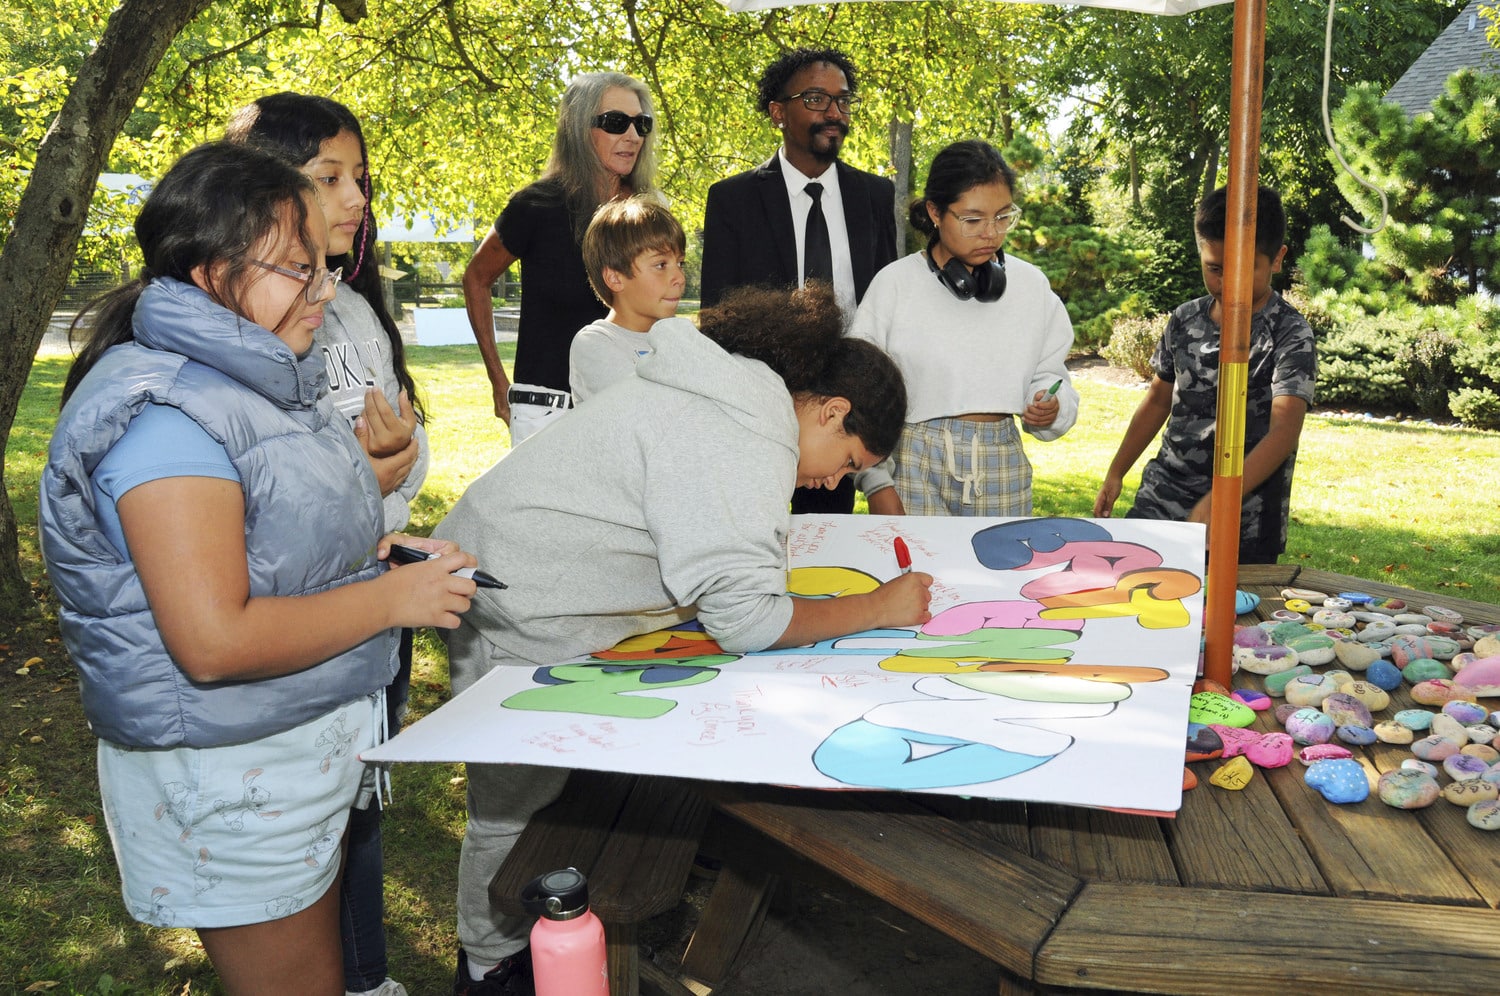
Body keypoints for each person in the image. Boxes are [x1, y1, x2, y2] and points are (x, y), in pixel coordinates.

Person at [37, 141, 477, 995]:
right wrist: (390, 600)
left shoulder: (254, 381)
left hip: (280, 754)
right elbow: (212, 640)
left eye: (324, 266)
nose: (323, 289)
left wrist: (376, 562)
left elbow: (267, 551)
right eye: (297, 269)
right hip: (228, 774)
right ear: (210, 273)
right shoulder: (166, 416)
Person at [434, 283, 933, 996]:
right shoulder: (747, 435)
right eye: (847, 458)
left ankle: (523, 946)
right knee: (516, 808)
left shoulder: (739, 398)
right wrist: (878, 607)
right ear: (830, 410)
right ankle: (490, 966)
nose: (833, 478)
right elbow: (749, 620)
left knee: (547, 800)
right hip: (516, 601)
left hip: (525, 586)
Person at [225, 91, 428, 996]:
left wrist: (393, 467)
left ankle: (365, 974)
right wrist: (367, 480)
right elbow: (268, 497)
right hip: (305, 614)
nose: (355, 198)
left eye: (361, 178)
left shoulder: (347, 308)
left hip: (380, 593)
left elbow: (402, 459)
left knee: (363, 802)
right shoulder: (257, 323)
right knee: (305, 822)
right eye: (328, 178)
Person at [700, 47, 897, 515]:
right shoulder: (733, 199)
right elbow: (717, 317)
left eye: (843, 100)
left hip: (841, 413)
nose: (834, 112)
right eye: (815, 99)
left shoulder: (874, 196)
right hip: (757, 412)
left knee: (825, 551)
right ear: (777, 111)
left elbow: (886, 300)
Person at [848, 139, 1078, 517]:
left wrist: (1051, 407)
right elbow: (860, 393)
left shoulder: (1031, 286)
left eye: (1003, 217)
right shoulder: (894, 284)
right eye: (973, 220)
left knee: (1002, 574)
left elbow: (1052, 376)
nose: (991, 232)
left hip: (1002, 461)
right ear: (935, 212)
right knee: (918, 576)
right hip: (912, 466)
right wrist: (876, 483)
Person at [1092, 185, 1316, 564]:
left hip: (1246, 518)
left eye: (1244, 270)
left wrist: (1221, 501)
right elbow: (1158, 399)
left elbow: (1284, 431)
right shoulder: (1184, 319)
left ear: (1277, 259)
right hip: (1162, 501)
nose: (1227, 283)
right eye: (1214, 268)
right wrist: (1117, 471)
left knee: (1228, 620)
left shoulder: (1290, 333)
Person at [462, 72, 660, 443]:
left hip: (630, 403)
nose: (632, 136)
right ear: (577, 129)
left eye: (641, 124)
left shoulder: (647, 212)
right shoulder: (535, 205)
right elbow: (476, 279)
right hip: (548, 412)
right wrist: (497, 381)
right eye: (616, 123)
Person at [568, 197, 687, 403]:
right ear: (615, 279)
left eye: (680, 264)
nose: (680, 278)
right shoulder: (594, 344)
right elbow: (647, 411)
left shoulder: (683, 336)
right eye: (661, 265)